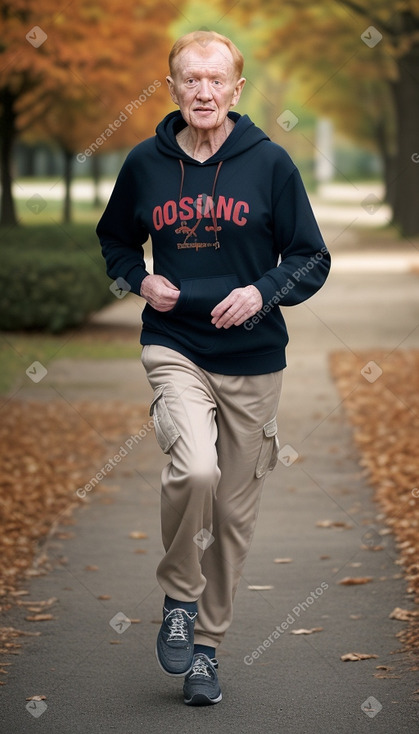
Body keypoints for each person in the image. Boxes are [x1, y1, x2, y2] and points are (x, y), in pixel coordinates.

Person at [97, 29, 331, 706]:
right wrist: (138, 282)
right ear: (170, 87)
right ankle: (179, 594)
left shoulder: (271, 164)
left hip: (254, 360)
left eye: (215, 79)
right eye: (189, 79)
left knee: (230, 515)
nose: (203, 91)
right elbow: (115, 240)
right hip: (174, 344)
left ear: (237, 88)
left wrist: (262, 291)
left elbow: (309, 257)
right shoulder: (144, 163)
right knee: (195, 467)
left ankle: (206, 649)